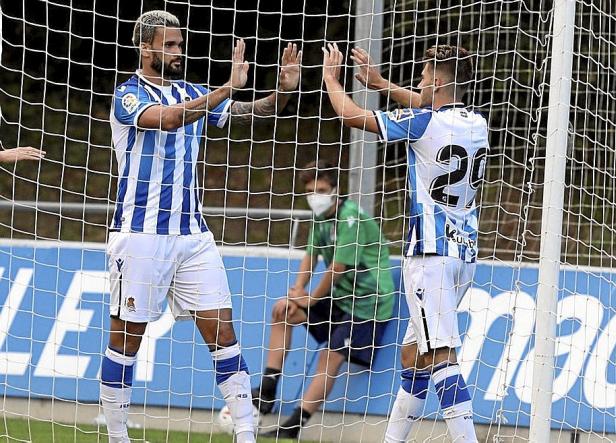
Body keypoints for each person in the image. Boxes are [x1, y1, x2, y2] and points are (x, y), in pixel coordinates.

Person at [101, 10, 300, 443]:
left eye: (179, 44)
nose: (177, 51)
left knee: (223, 331)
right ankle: (117, 436)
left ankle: (246, 432)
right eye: (168, 44)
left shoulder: (193, 91)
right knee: (126, 341)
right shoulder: (128, 95)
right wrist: (226, 87)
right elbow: (169, 119)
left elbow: (253, 112)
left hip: (192, 236)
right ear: (145, 46)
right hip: (140, 236)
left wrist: (281, 93)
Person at [322, 43, 488, 442]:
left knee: (441, 356)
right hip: (463, 255)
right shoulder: (475, 123)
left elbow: (350, 115)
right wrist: (381, 83)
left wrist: (331, 78)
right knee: (413, 357)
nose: (418, 82)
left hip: (429, 258)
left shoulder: (423, 123)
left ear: (438, 80)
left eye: (423, 75)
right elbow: (428, 106)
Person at [255, 160, 395, 439]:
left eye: (321, 189)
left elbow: (337, 268)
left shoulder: (350, 217)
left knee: (329, 356)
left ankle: (294, 424)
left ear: (335, 190)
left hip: (368, 304)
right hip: (340, 298)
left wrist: (310, 299)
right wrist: (297, 291)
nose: (315, 196)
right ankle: (267, 390)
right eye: (310, 191)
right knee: (283, 310)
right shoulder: (320, 219)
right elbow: (311, 255)